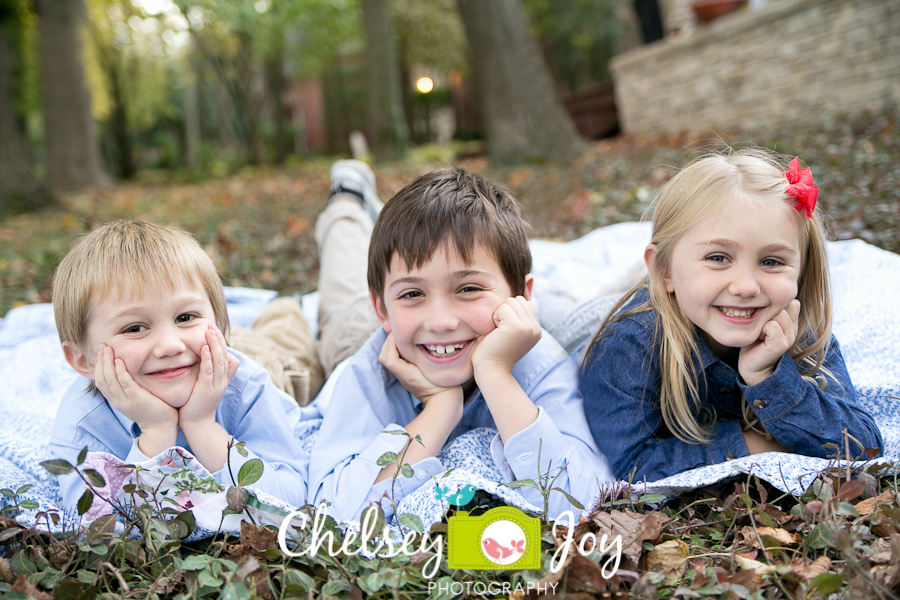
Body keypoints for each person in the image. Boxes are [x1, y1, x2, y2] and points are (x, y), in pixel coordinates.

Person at [306, 166, 612, 521]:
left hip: (419, 334)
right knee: (338, 290)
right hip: (359, 331)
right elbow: (333, 513)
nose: (441, 321)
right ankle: (349, 201)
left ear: (522, 297)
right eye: (413, 292)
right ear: (383, 308)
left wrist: (496, 375)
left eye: (468, 288)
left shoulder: (541, 364)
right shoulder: (365, 372)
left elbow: (585, 501)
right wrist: (441, 407)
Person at [581, 149, 883, 483]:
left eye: (771, 262)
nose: (746, 286)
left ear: (802, 271)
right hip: (596, 316)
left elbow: (863, 445)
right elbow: (630, 469)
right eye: (718, 257)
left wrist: (768, 377)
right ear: (664, 268)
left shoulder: (795, 327)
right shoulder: (630, 343)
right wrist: (753, 447)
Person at [49, 220, 309, 511]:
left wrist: (202, 426)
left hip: (270, 364)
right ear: (83, 360)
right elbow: (100, 524)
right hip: (196, 355)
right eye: (134, 328)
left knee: (287, 335)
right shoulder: (82, 427)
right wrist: (156, 431)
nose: (170, 345)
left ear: (221, 323)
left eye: (185, 316)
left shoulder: (248, 385)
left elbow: (290, 498)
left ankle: (285, 306)